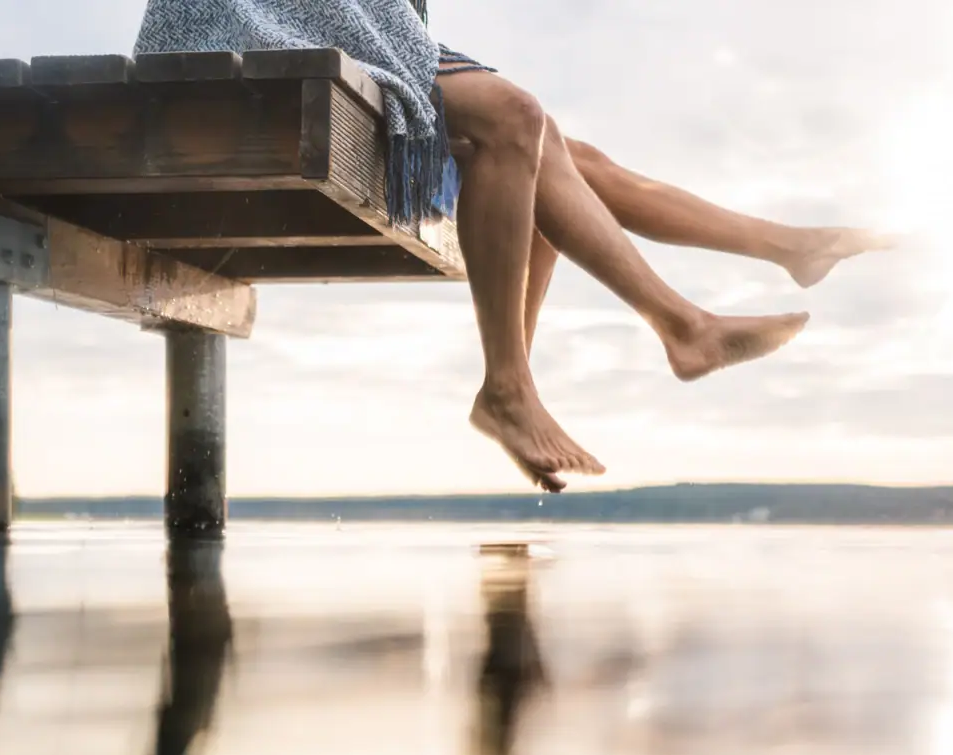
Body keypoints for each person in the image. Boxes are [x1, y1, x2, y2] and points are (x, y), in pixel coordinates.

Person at [134, 0, 893, 493]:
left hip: (345, 20)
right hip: (253, 17)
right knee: (516, 121)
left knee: (558, 149)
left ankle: (781, 252)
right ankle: (573, 365)